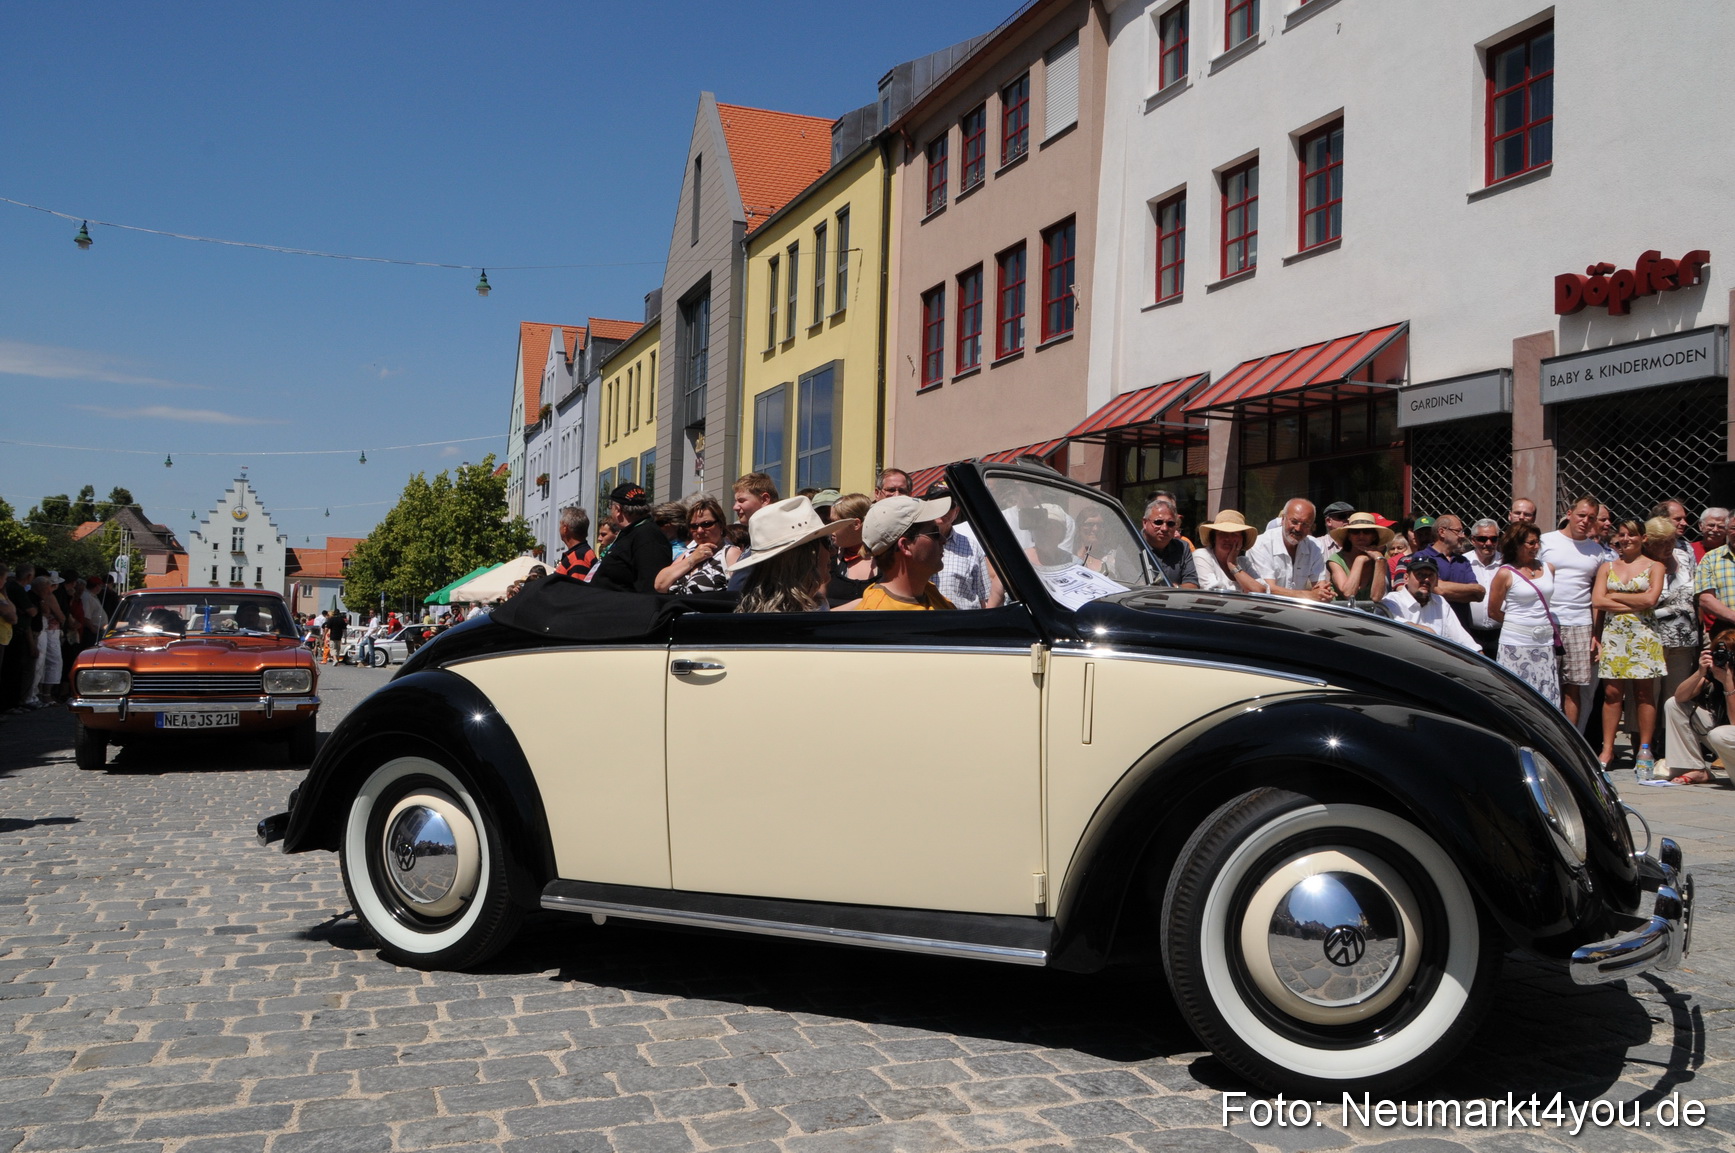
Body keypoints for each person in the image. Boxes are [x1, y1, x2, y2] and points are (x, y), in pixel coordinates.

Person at [1593, 518, 1666, 774]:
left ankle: (1645, 748)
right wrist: (1634, 601)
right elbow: (1597, 601)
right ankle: (1608, 749)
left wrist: (1614, 596)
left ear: (1643, 538)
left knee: (1644, 694)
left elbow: (1651, 599)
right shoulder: (1607, 566)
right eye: (1622, 535)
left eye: (1632, 535)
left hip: (1643, 635)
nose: (1626, 539)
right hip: (1614, 635)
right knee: (1612, 694)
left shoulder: (1655, 566)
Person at [1540, 495, 1611, 727]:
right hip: (1547, 621)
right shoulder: (1545, 541)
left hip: (1580, 623)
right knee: (1545, 684)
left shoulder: (1597, 551)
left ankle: (1571, 740)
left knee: (1574, 688)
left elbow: (1597, 597)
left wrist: (1595, 634)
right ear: (1569, 514)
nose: (1585, 521)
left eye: (1591, 518)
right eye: (1581, 515)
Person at [1488, 521, 1561, 708]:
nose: (1536, 547)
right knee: (1517, 698)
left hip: (1544, 644)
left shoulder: (1548, 568)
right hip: (1516, 644)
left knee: (1545, 699)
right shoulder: (1505, 573)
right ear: (1517, 544)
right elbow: (1494, 611)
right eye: (1530, 543)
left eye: (1537, 542)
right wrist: (1521, 626)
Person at [730, 497, 844, 613]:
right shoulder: (777, 624)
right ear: (804, 558)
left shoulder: (816, 602)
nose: (833, 551)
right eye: (826, 541)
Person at [1657, 623, 1735, 785]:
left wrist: (1728, 684)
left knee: (1719, 735)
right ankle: (1691, 767)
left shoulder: (1727, 678)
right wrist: (1701, 672)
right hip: (1724, 739)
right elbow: (1679, 697)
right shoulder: (1714, 674)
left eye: (1728, 655)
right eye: (1718, 654)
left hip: (1727, 736)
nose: (1723, 660)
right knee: (1674, 704)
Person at [853, 494, 955, 610]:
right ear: (906, 546)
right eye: (935, 533)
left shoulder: (929, 592)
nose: (944, 540)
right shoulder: (876, 617)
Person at [591, 483, 674, 594]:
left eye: (610, 507)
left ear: (618, 509)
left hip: (622, 607)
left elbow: (650, 586)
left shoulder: (648, 536)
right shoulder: (630, 532)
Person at [1380, 555, 1477, 649]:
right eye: (1420, 575)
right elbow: (1391, 622)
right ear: (1406, 578)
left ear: (1436, 581)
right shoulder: (1393, 600)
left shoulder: (1441, 602)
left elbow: (1462, 638)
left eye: (1430, 576)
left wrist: (1479, 654)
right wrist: (1427, 632)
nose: (1426, 580)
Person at [1410, 515, 1484, 633]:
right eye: (1458, 531)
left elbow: (1479, 595)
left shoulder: (1463, 561)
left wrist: (1444, 589)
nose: (1462, 536)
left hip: (1461, 631)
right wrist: (1471, 588)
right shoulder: (1422, 557)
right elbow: (1438, 589)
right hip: (1433, 629)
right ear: (1442, 532)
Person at [929, 484, 999, 610]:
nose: (943, 509)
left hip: (963, 624)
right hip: (925, 623)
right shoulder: (912, 542)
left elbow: (984, 597)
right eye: (937, 503)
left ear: (956, 511)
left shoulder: (972, 546)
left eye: (949, 505)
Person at [1246, 499, 1331, 601]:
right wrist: (1308, 595)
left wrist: (1324, 594)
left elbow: (1320, 588)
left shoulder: (1315, 546)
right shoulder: (1261, 544)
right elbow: (1267, 589)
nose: (1298, 528)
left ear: (1311, 526)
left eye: (1305, 524)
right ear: (1283, 519)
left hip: (1298, 612)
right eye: (1294, 522)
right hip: (1264, 611)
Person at [658, 496, 731, 594]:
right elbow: (659, 585)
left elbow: (738, 592)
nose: (700, 531)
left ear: (721, 525)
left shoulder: (729, 553)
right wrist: (693, 559)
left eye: (706, 524)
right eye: (694, 526)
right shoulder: (688, 554)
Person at [1326, 512, 1393, 608]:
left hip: (1369, 617)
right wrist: (1359, 560)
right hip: (1342, 616)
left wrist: (1379, 560)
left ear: (1374, 536)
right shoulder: (1336, 559)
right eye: (1355, 532)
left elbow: (1376, 597)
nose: (1361, 535)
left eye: (1366, 531)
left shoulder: (1379, 560)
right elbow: (1348, 594)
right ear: (1349, 536)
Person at [1192, 512, 1266, 593]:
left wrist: (1233, 565)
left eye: (1234, 534)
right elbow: (1214, 592)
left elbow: (1260, 591)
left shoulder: (1244, 563)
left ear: (1242, 539)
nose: (1228, 538)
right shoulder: (1202, 556)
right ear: (1214, 538)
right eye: (1222, 533)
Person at [1462, 518, 1504, 657]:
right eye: (1482, 539)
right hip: (1470, 633)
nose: (1488, 543)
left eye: (1493, 539)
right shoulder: (1463, 562)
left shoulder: (1506, 563)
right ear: (1473, 540)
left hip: (1500, 634)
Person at [825, 493, 877, 605]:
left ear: (856, 524)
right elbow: (817, 609)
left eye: (835, 522)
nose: (830, 529)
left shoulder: (885, 560)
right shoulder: (827, 559)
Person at [1139, 497, 1198, 588]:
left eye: (1170, 524)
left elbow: (1193, 584)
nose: (1164, 528)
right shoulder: (1131, 545)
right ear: (1145, 522)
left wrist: (1174, 589)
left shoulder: (1183, 547)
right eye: (1158, 522)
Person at [554, 507, 598, 580]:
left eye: (560, 524)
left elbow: (576, 589)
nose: (559, 528)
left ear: (565, 528)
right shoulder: (583, 553)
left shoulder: (578, 557)